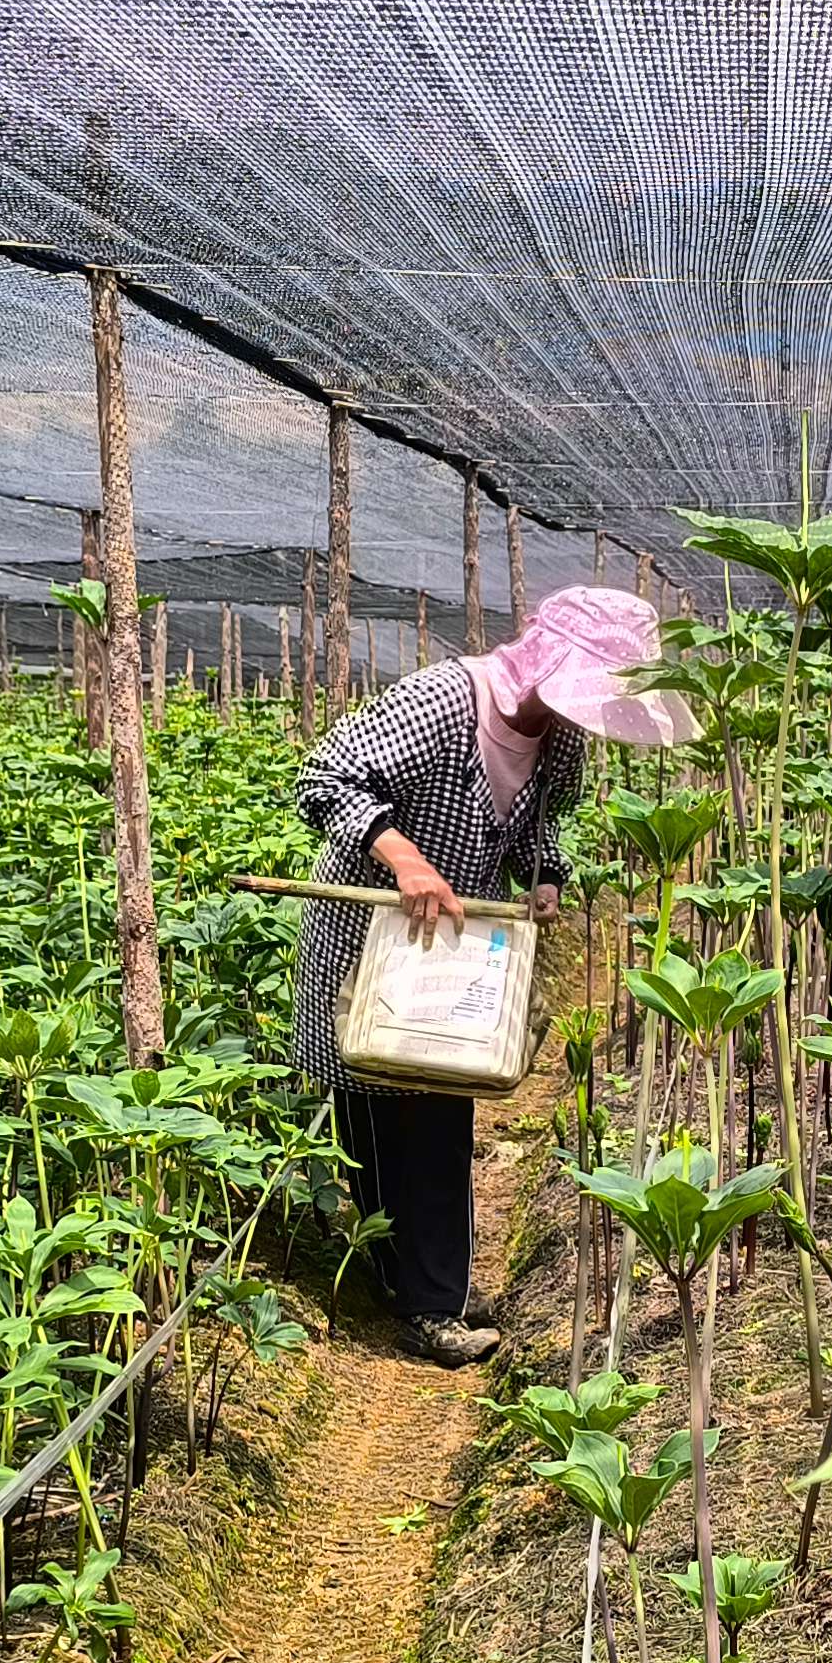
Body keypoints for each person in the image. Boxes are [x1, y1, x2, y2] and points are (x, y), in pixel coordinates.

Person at [294, 581, 695, 1364]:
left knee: (442, 1112)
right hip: (371, 938)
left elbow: (539, 828)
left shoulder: (560, 737)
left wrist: (544, 874)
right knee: (373, 1110)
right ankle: (404, 1278)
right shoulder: (443, 701)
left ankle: (435, 1298)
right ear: (545, 658)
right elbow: (326, 780)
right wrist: (406, 860)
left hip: (460, 950)